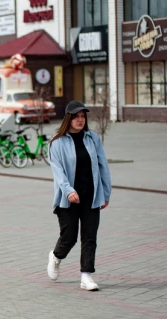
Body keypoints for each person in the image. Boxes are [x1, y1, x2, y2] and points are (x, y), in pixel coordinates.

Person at [47, 101, 111, 291]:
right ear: (68, 118)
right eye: (76, 117)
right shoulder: (56, 142)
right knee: (69, 237)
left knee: (90, 236)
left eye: (83, 116)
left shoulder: (92, 139)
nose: (80, 120)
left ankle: (86, 276)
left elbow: (103, 167)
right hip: (68, 199)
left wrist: (106, 193)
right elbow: (58, 172)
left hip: (91, 196)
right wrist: (68, 191)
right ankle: (56, 256)